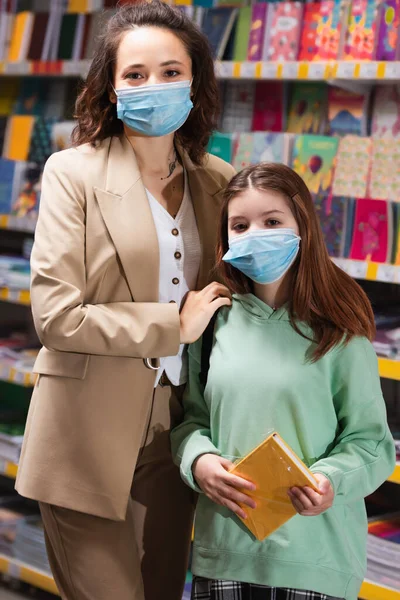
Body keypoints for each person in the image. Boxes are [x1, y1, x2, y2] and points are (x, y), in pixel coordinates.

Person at [15, 3, 234, 599]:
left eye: (170, 72)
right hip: (84, 434)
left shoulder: (218, 181)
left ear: (195, 83)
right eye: (134, 75)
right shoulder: (72, 173)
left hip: (181, 431)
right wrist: (172, 324)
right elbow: (56, 316)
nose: (152, 86)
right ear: (110, 88)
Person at [171, 163, 396, 600]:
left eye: (272, 221)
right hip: (224, 551)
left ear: (303, 227)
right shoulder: (214, 323)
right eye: (240, 225)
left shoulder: (340, 331)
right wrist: (199, 462)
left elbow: (371, 443)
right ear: (226, 238)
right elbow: (191, 422)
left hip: (316, 559)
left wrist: (330, 480)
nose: (256, 233)